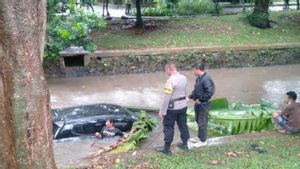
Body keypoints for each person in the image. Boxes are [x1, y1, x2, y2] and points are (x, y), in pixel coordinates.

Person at [155, 62, 190, 154]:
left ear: (169, 69)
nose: (166, 72)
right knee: (183, 125)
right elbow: (184, 91)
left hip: (172, 109)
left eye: (166, 70)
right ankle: (185, 144)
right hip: (183, 106)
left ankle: (166, 149)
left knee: (168, 127)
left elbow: (166, 97)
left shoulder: (171, 80)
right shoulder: (184, 78)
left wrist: (162, 111)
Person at [188, 63, 215, 148]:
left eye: (193, 70)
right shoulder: (199, 78)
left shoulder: (206, 79)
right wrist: (189, 97)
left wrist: (201, 99)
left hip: (204, 104)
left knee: (202, 122)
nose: (193, 72)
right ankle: (199, 137)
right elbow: (196, 90)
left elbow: (210, 92)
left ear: (198, 69)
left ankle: (203, 141)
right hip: (198, 104)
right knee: (198, 120)